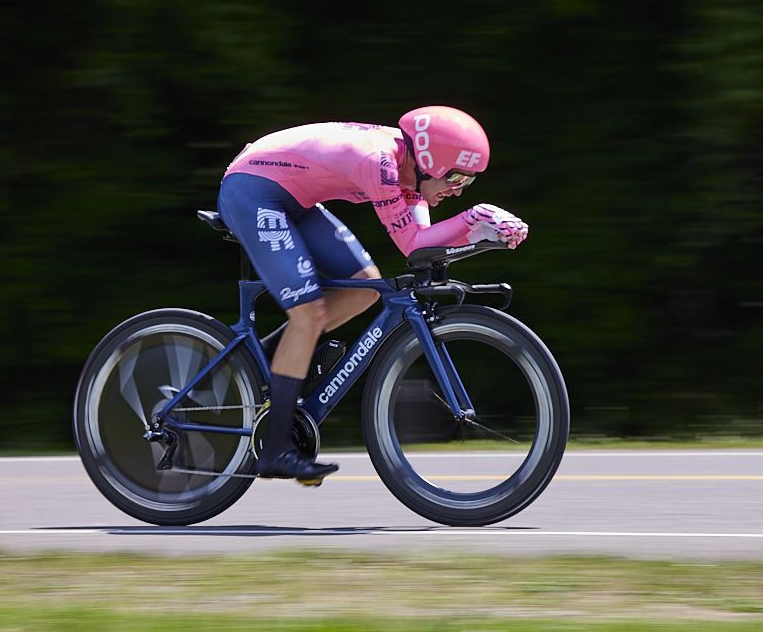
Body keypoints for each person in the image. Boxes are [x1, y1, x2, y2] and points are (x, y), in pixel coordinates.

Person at [217, 106, 529, 481]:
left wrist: (482, 233)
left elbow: (425, 249)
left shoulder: (410, 173)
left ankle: (258, 366)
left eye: (469, 183)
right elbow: (414, 245)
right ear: (431, 161)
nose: (458, 189)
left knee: (363, 289)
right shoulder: (379, 162)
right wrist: (473, 218)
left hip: (293, 198)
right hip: (253, 191)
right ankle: (276, 449)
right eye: (458, 177)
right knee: (309, 314)